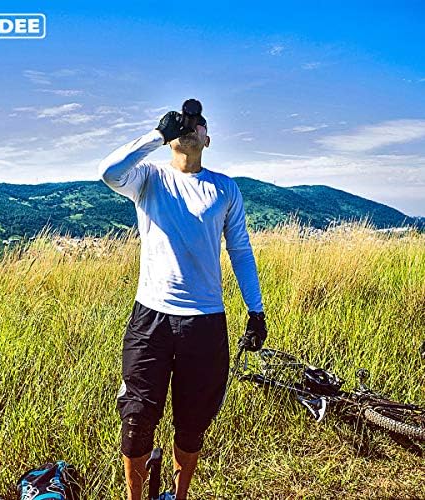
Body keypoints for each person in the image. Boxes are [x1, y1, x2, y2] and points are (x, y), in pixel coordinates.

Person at [99, 99, 267, 500]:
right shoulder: (149, 178)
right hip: (151, 317)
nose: (192, 126)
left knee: (192, 424)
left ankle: (179, 495)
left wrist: (256, 309)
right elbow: (109, 171)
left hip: (205, 322)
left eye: (199, 123)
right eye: (185, 123)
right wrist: (158, 134)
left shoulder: (225, 188)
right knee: (136, 420)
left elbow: (240, 250)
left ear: (208, 140)